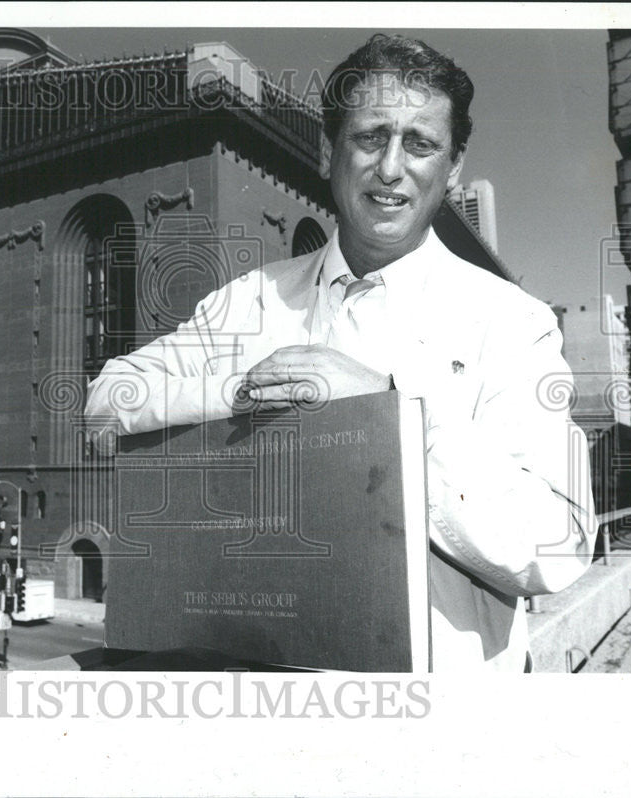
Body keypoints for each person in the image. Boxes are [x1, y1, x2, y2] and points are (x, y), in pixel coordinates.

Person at [84, 33, 596, 671]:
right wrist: (246, 392)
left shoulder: (514, 324)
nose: (390, 167)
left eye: (420, 143)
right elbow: (105, 404)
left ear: (453, 167)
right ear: (329, 151)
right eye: (370, 136)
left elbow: (558, 546)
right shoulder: (246, 303)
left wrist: (386, 412)